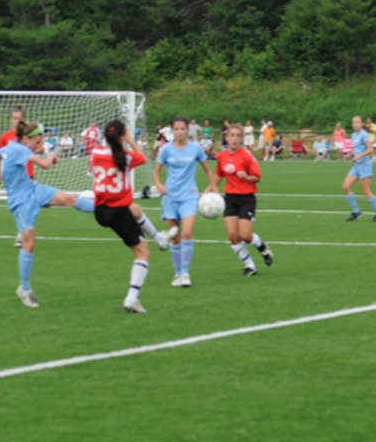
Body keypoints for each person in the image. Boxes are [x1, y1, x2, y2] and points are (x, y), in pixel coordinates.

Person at [0, 120, 94, 307]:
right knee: (28, 244)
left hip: (33, 189)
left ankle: (106, 208)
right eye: (37, 142)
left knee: (69, 199)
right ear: (26, 139)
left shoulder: (11, 147)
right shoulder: (21, 150)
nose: (39, 146)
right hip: (21, 201)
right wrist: (51, 155)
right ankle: (24, 289)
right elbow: (44, 165)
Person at [92, 119, 177, 313]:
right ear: (123, 136)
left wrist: (121, 138)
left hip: (100, 210)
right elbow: (142, 157)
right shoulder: (126, 157)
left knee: (136, 209)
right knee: (143, 253)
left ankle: (159, 237)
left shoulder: (96, 153)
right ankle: (132, 299)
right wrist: (130, 140)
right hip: (117, 211)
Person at [153, 116, 219, 288]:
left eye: (183, 129)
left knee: (187, 233)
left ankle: (185, 273)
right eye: (176, 129)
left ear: (187, 130)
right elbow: (156, 172)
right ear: (172, 130)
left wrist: (213, 188)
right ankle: (177, 273)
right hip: (169, 197)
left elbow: (207, 169)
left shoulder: (195, 149)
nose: (180, 132)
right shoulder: (166, 149)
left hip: (189, 196)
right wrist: (159, 185)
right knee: (175, 237)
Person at [215, 124, 273, 276]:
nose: (234, 139)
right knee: (233, 236)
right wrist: (208, 191)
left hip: (246, 198)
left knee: (245, 235)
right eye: (232, 135)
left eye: (238, 136)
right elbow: (219, 175)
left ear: (241, 139)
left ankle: (262, 247)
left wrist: (246, 177)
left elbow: (257, 177)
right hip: (230, 198)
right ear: (226, 138)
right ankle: (250, 266)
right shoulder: (221, 156)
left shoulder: (246, 155)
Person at [0, 105, 34, 247]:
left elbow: (37, 148)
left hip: (27, 173)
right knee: (17, 206)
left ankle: (21, 234)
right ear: (10, 120)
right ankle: (23, 232)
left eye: (19, 118)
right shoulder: (5, 137)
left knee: (25, 204)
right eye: (14, 118)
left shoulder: (28, 135)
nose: (16, 121)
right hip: (12, 177)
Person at [342, 115, 376, 222]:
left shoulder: (363, 134)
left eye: (357, 122)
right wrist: (351, 154)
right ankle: (356, 212)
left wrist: (358, 156)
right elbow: (357, 149)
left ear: (361, 124)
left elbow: (370, 150)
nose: (355, 124)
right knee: (346, 187)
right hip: (357, 166)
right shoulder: (353, 135)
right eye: (353, 122)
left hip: (364, 166)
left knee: (366, 191)